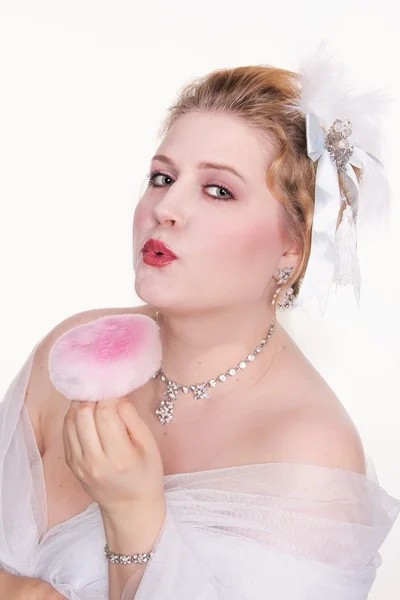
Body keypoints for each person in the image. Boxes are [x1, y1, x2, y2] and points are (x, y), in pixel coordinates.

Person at [0, 55, 399, 600]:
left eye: (218, 190)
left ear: (292, 246)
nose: (166, 207)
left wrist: (134, 517)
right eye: (162, 177)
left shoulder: (309, 455)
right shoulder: (74, 350)